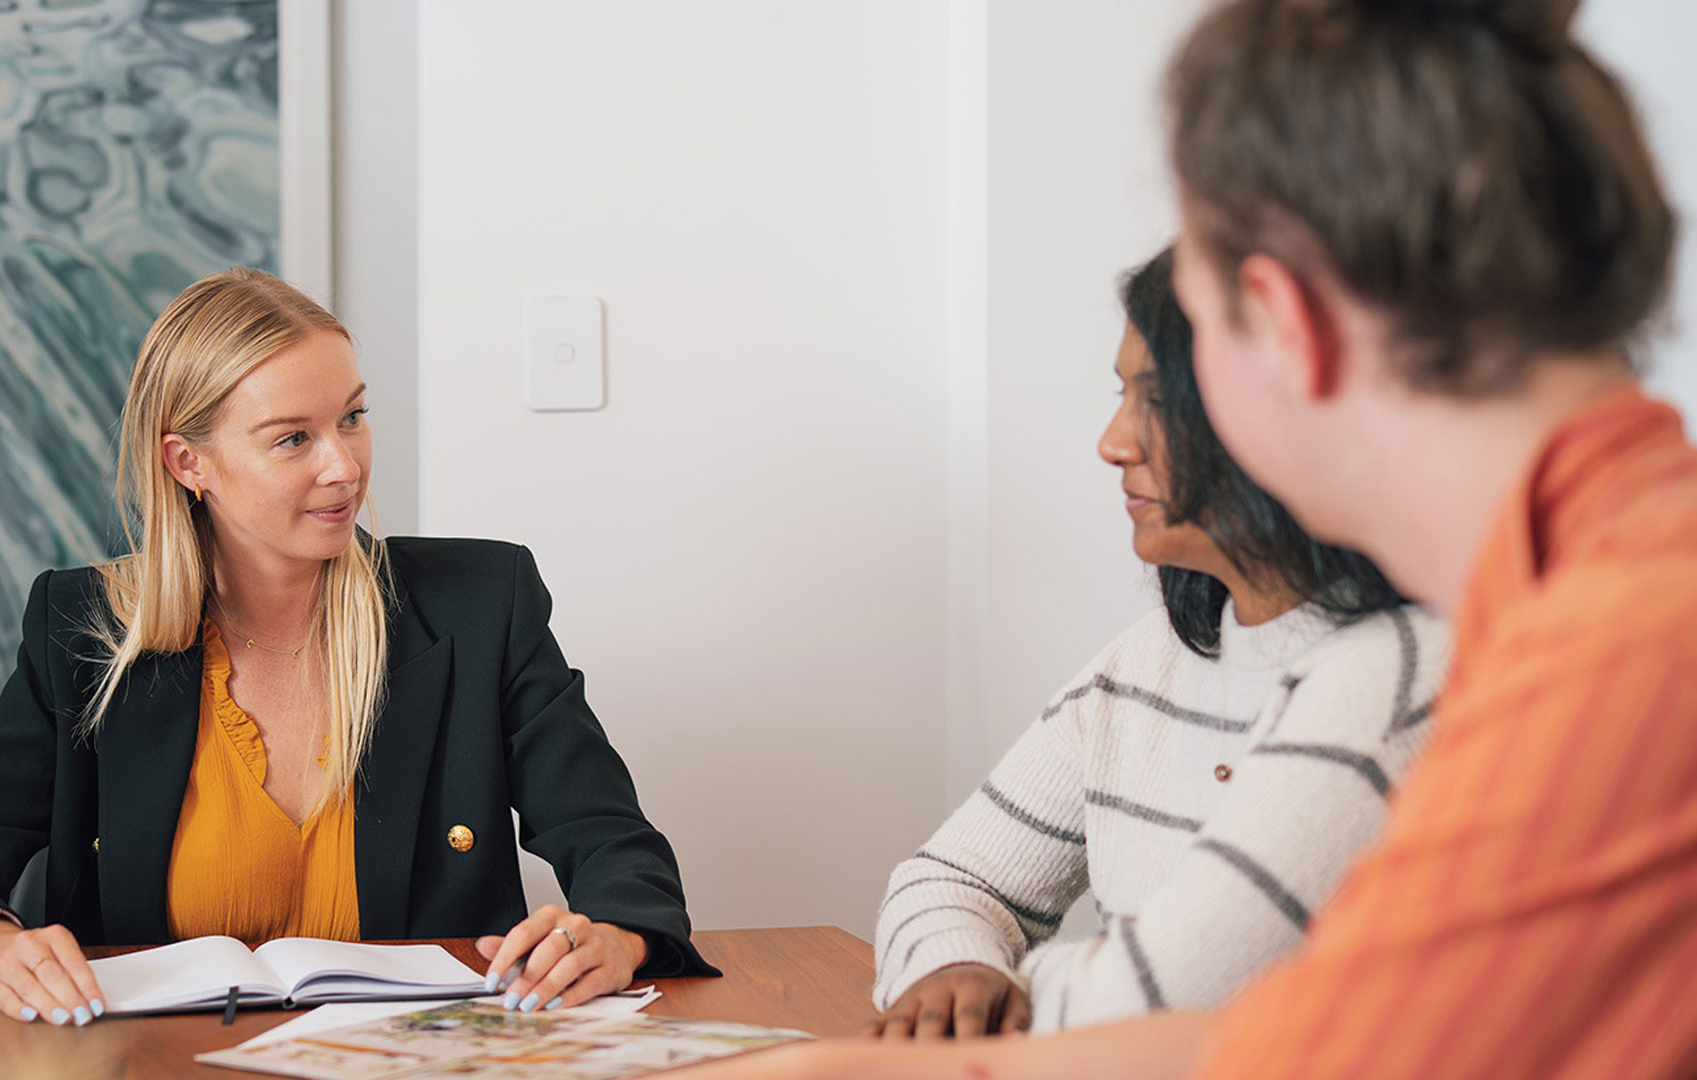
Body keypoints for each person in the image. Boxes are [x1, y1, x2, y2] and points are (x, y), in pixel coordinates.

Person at [681, 0, 1697, 1076]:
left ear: (1284, 321)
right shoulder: (1589, 590)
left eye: (1195, 337)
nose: (1122, 436)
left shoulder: (1611, 658)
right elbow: (1290, 1035)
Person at [0, 268, 716, 1029]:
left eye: (353, 416)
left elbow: (613, 840)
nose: (345, 466)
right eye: (292, 438)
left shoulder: (481, 604)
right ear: (187, 462)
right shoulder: (85, 631)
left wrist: (615, 935)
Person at [869, 247, 1445, 1041]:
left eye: (1160, 401)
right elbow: (949, 877)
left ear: (1288, 412)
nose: (1113, 443)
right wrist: (955, 969)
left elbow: (1161, 1004)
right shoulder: (1145, 663)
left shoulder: (1401, 673)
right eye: (1122, 394)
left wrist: (1001, 1000)